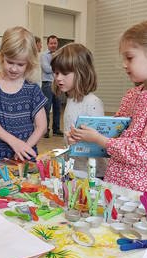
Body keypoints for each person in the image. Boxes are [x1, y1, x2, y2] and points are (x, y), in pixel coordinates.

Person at [66, 18, 147, 197]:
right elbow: (111, 137)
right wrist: (82, 139)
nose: (124, 64)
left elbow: (142, 152)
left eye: (130, 57)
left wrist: (97, 139)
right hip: (116, 184)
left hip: (143, 193)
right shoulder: (131, 96)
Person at [0, 26, 47, 161]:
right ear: (2, 56)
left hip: (26, 155)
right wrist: (15, 142)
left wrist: (24, 148)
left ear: (29, 62)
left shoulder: (32, 89)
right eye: (10, 62)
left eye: (20, 64)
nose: (14, 69)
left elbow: (42, 126)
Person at [51, 43, 107, 177]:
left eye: (64, 73)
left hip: (91, 173)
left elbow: (100, 145)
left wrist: (77, 142)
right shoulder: (70, 99)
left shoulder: (92, 103)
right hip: (75, 169)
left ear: (82, 72)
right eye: (56, 72)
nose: (58, 78)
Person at [41, 35, 63, 138]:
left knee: (58, 108)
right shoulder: (44, 55)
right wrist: (55, 61)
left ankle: (56, 129)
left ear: (57, 43)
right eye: (51, 43)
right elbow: (46, 69)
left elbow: (63, 68)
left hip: (58, 85)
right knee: (46, 108)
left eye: (55, 43)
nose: (53, 45)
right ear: (47, 44)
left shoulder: (61, 55)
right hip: (47, 85)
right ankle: (45, 130)